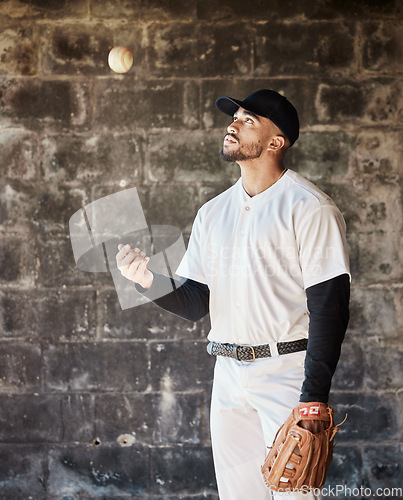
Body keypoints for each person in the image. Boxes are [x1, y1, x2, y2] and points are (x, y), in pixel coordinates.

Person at [116, 89, 351, 499]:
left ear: (276, 142)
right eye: (235, 116)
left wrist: (313, 398)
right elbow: (196, 304)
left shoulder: (310, 208)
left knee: (294, 495)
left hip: (287, 374)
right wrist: (147, 280)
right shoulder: (212, 213)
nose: (233, 124)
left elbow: (330, 309)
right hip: (227, 376)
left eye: (248, 120)